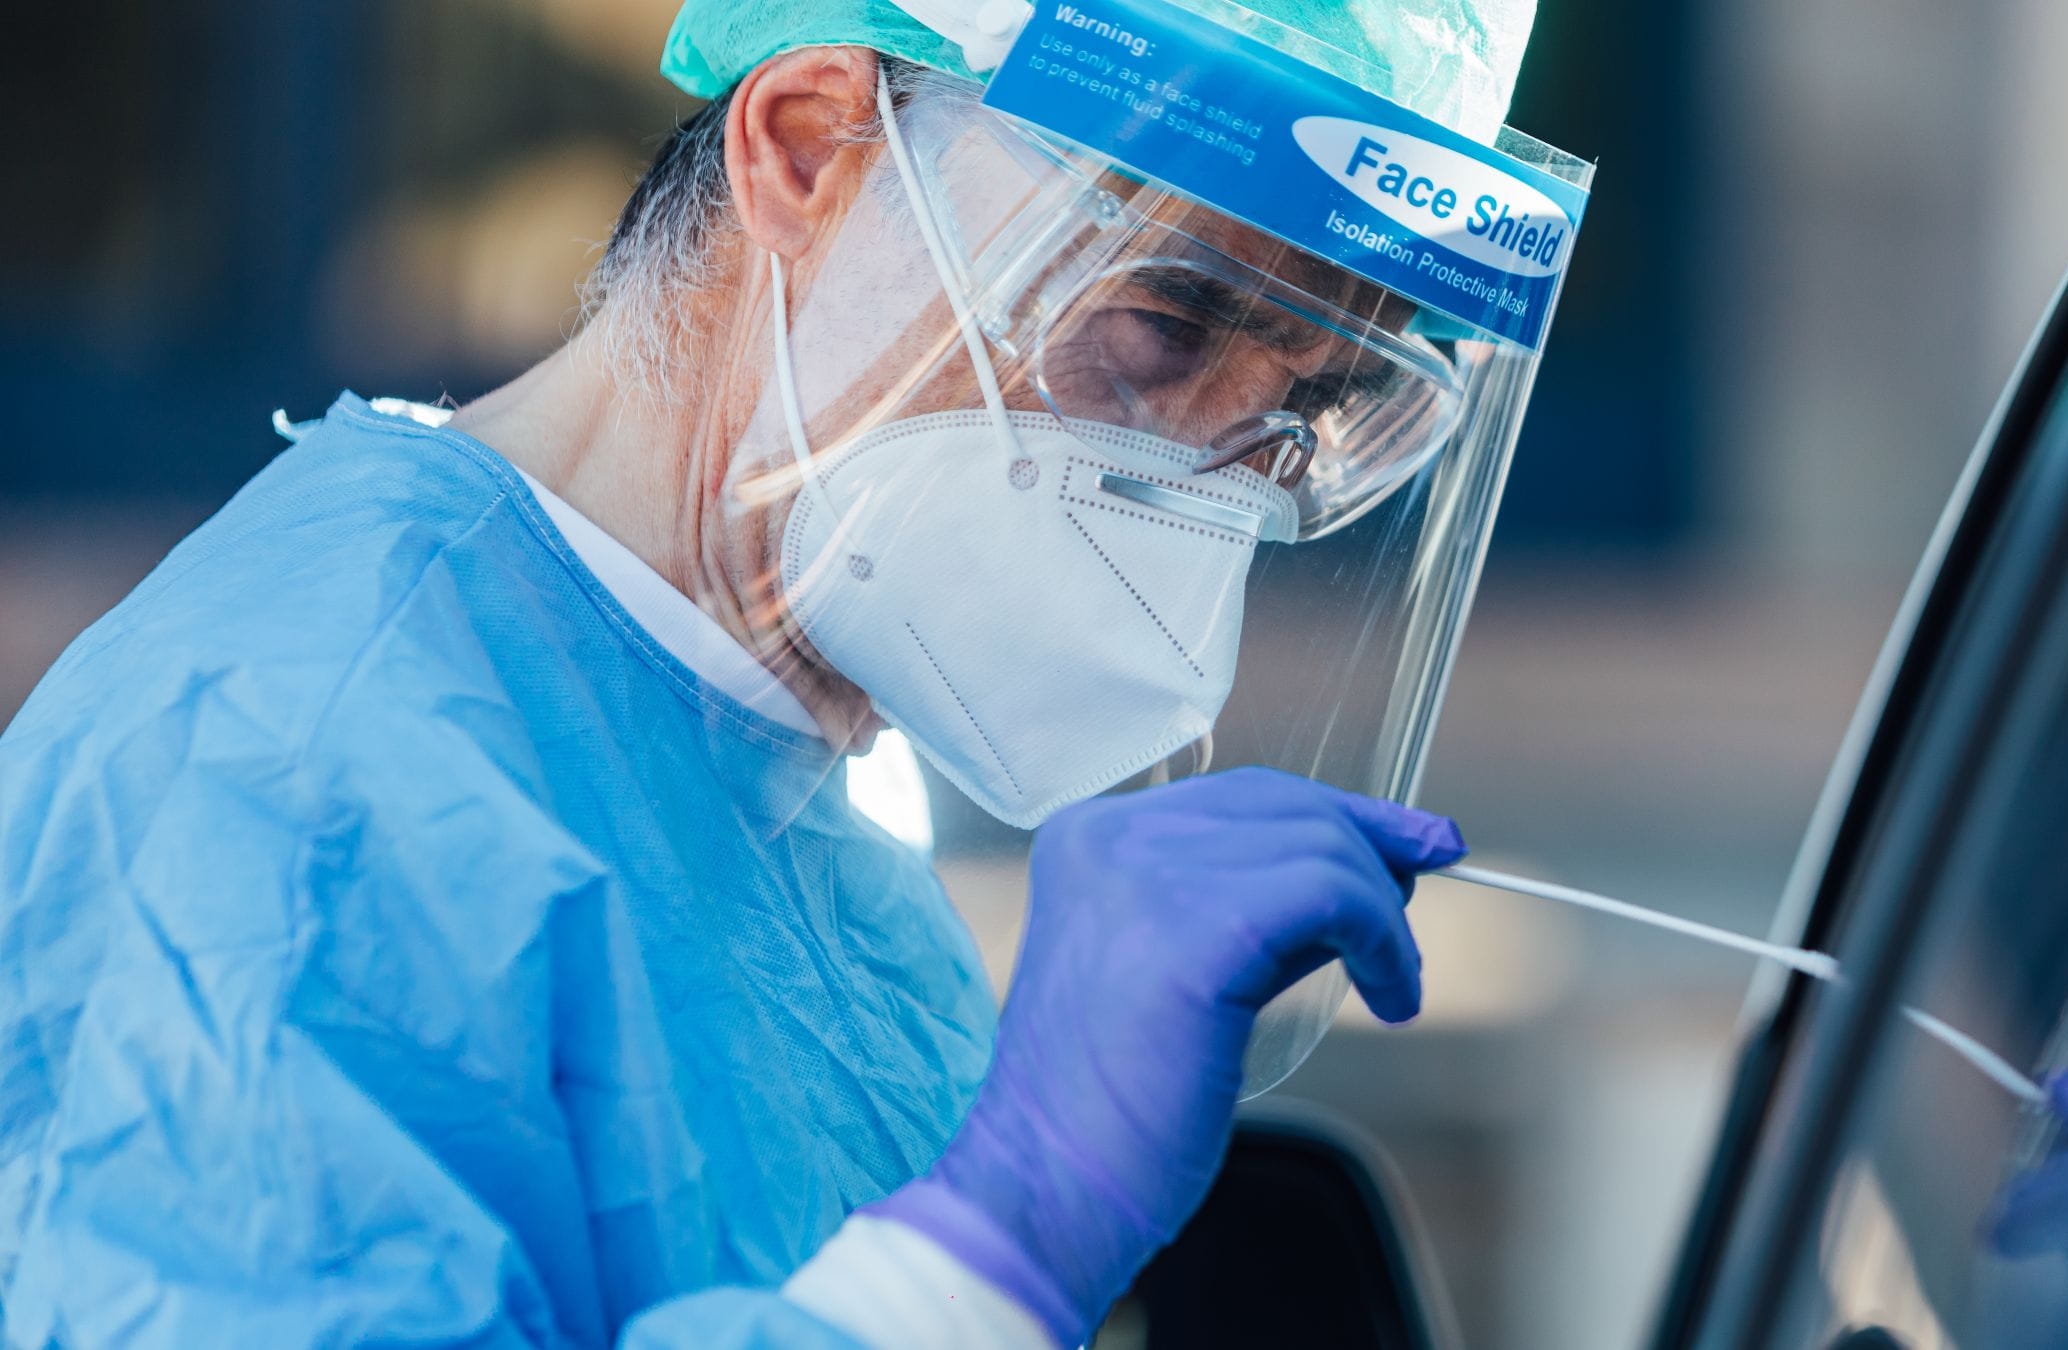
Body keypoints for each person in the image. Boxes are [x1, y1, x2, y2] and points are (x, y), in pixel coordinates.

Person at [0, 0, 1584, 1344]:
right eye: (1163, 325)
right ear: (810, 146)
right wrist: (994, 1239)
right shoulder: (282, 772)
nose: (1199, 486)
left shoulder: (810, 836)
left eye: (1296, 415)